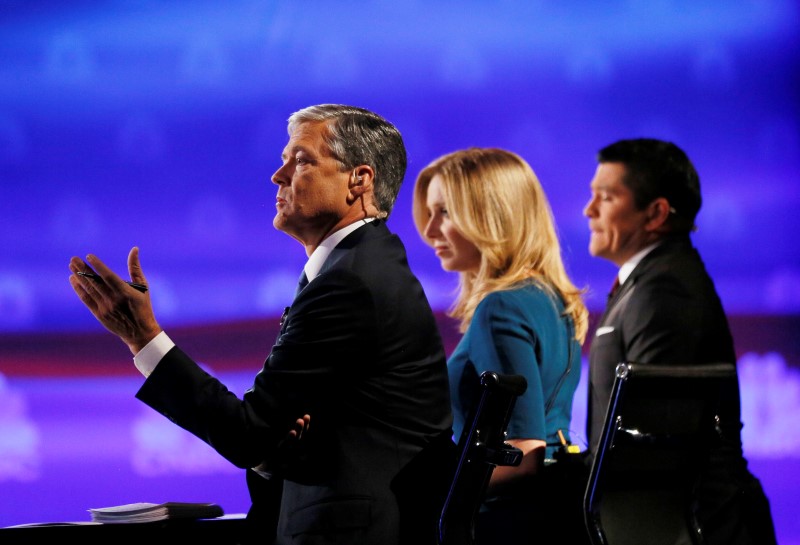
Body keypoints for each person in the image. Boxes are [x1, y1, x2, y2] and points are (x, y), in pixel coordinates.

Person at [68, 104, 454, 545]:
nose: (279, 175)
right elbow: (272, 439)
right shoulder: (359, 265)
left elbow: (248, 435)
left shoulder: (351, 281)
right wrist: (270, 449)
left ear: (359, 180)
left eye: (302, 160)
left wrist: (142, 337)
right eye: (284, 158)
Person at [583, 137, 777, 545]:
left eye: (606, 197)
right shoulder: (649, 280)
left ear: (655, 213)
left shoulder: (666, 290)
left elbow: (653, 445)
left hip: (690, 529)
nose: (589, 210)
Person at [412, 147, 591, 545]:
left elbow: (523, 455)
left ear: (490, 215)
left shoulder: (500, 306)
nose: (429, 230)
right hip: (545, 518)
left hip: (499, 526)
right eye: (430, 213)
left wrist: (424, 495)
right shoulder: (552, 300)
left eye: (445, 212)